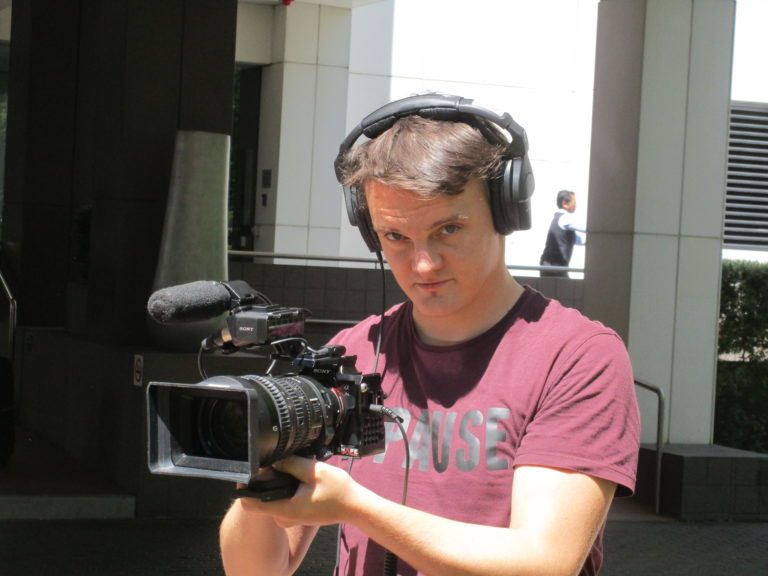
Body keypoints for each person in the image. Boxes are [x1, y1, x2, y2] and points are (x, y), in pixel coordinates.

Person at [219, 94, 640, 576]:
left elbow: (543, 563)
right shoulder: (353, 353)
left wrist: (357, 508)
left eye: (449, 229)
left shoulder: (577, 357)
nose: (423, 264)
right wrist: (260, 472)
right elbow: (256, 571)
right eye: (396, 237)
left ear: (505, 212)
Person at [539, 189, 586, 278]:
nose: (576, 205)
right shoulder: (565, 218)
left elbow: (577, 239)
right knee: (565, 286)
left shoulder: (560, 218)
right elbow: (587, 228)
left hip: (552, 266)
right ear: (565, 203)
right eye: (574, 202)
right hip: (553, 267)